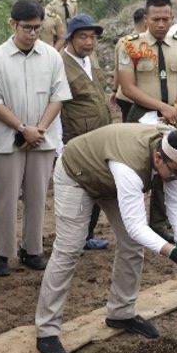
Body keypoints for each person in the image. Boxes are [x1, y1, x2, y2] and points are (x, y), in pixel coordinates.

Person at [34, 125, 177, 353]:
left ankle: (121, 312)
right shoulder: (130, 167)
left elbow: (176, 201)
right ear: (157, 157)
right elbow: (137, 227)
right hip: (78, 173)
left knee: (132, 246)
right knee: (69, 250)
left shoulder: (175, 156)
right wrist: (175, 255)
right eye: (175, 172)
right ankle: (47, 330)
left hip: (109, 178)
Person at [0, 0, 73, 275]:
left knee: (37, 195)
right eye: (26, 28)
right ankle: (2, 252)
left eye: (37, 27)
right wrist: (23, 128)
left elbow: (58, 97)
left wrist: (39, 130)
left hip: (43, 137)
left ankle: (32, 249)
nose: (32, 33)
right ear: (13, 24)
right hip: (8, 139)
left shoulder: (51, 56)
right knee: (6, 199)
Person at [114, 0, 177, 242]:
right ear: (145, 19)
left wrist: (175, 109)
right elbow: (128, 87)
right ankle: (129, 222)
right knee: (136, 167)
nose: (161, 23)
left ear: (172, 19)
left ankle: (159, 222)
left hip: (173, 115)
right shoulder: (129, 45)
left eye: (165, 19)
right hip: (140, 114)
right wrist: (162, 107)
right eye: (155, 19)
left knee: (169, 167)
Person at [60, 14, 112, 251]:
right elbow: (57, 104)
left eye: (92, 37)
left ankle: (87, 235)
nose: (89, 42)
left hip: (100, 136)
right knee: (79, 193)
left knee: (99, 186)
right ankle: (74, 240)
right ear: (70, 38)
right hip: (77, 139)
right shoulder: (59, 63)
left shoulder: (93, 60)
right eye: (83, 37)